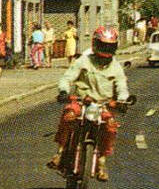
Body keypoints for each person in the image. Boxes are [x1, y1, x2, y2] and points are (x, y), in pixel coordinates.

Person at [49, 26, 130, 181]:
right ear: (95, 44)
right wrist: (64, 91)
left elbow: (122, 87)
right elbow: (68, 77)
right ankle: (60, 152)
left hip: (103, 105)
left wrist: (122, 100)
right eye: (103, 45)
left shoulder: (116, 67)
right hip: (81, 102)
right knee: (69, 115)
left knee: (111, 126)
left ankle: (101, 162)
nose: (105, 49)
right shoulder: (84, 61)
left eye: (109, 46)